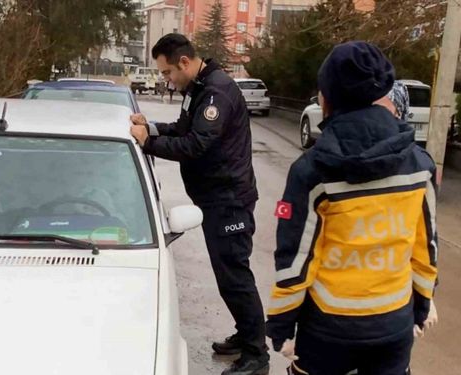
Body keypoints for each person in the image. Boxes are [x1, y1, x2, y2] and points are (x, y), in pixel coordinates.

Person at [266, 41, 438, 375]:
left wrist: (281, 325)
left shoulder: (311, 172)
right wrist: (422, 303)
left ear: (325, 98)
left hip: (329, 330)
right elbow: (425, 247)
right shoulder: (420, 164)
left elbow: (296, 260)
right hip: (394, 324)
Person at [129, 33, 268, 375]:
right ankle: (246, 333)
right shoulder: (198, 89)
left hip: (229, 200)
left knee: (235, 277)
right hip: (215, 198)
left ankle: (256, 355)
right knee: (228, 276)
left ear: (185, 63)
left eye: (167, 73)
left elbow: (195, 145)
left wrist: (149, 144)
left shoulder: (215, 93)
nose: (166, 80)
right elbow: (182, 128)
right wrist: (153, 127)